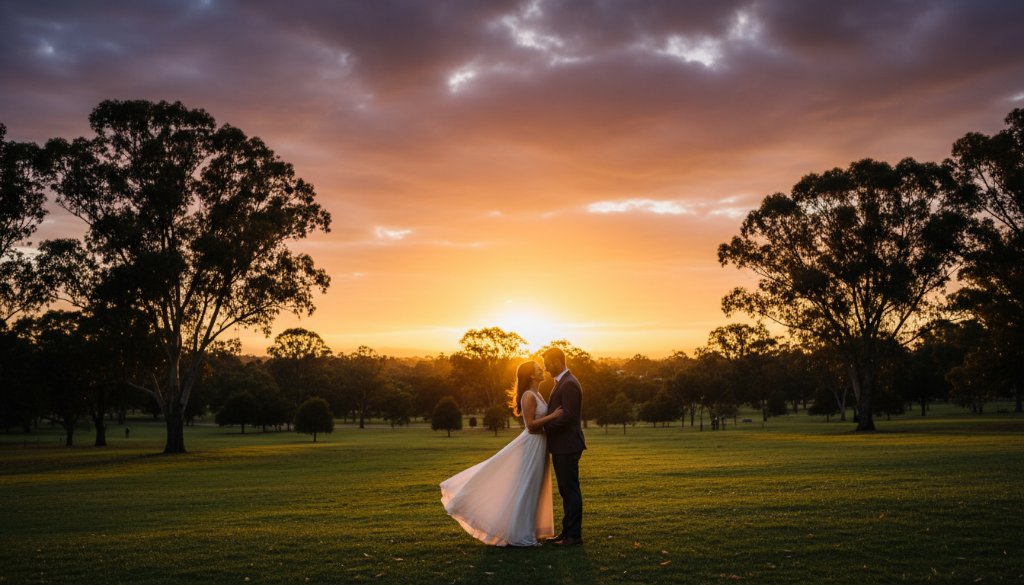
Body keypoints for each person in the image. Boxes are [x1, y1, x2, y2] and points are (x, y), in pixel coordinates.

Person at [440, 360, 563, 546]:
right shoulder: (529, 396)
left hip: (540, 446)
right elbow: (530, 425)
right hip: (532, 444)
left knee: (534, 488)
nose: (543, 370)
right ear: (531, 375)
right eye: (539, 369)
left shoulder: (538, 394)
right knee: (527, 487)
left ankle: (528, 530)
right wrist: (553, 416)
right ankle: (520, 534)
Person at [541, 346, 586, 546]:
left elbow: (568, 416)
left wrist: (546, 428)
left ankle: (574, 536)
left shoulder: (569, 384)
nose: (545, 367)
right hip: (562, 446)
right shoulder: (562, 382)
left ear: (558, 361)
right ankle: (566, 532)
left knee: (570, 491)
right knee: (566, 491)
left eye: (548, 362)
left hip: (568, 445)